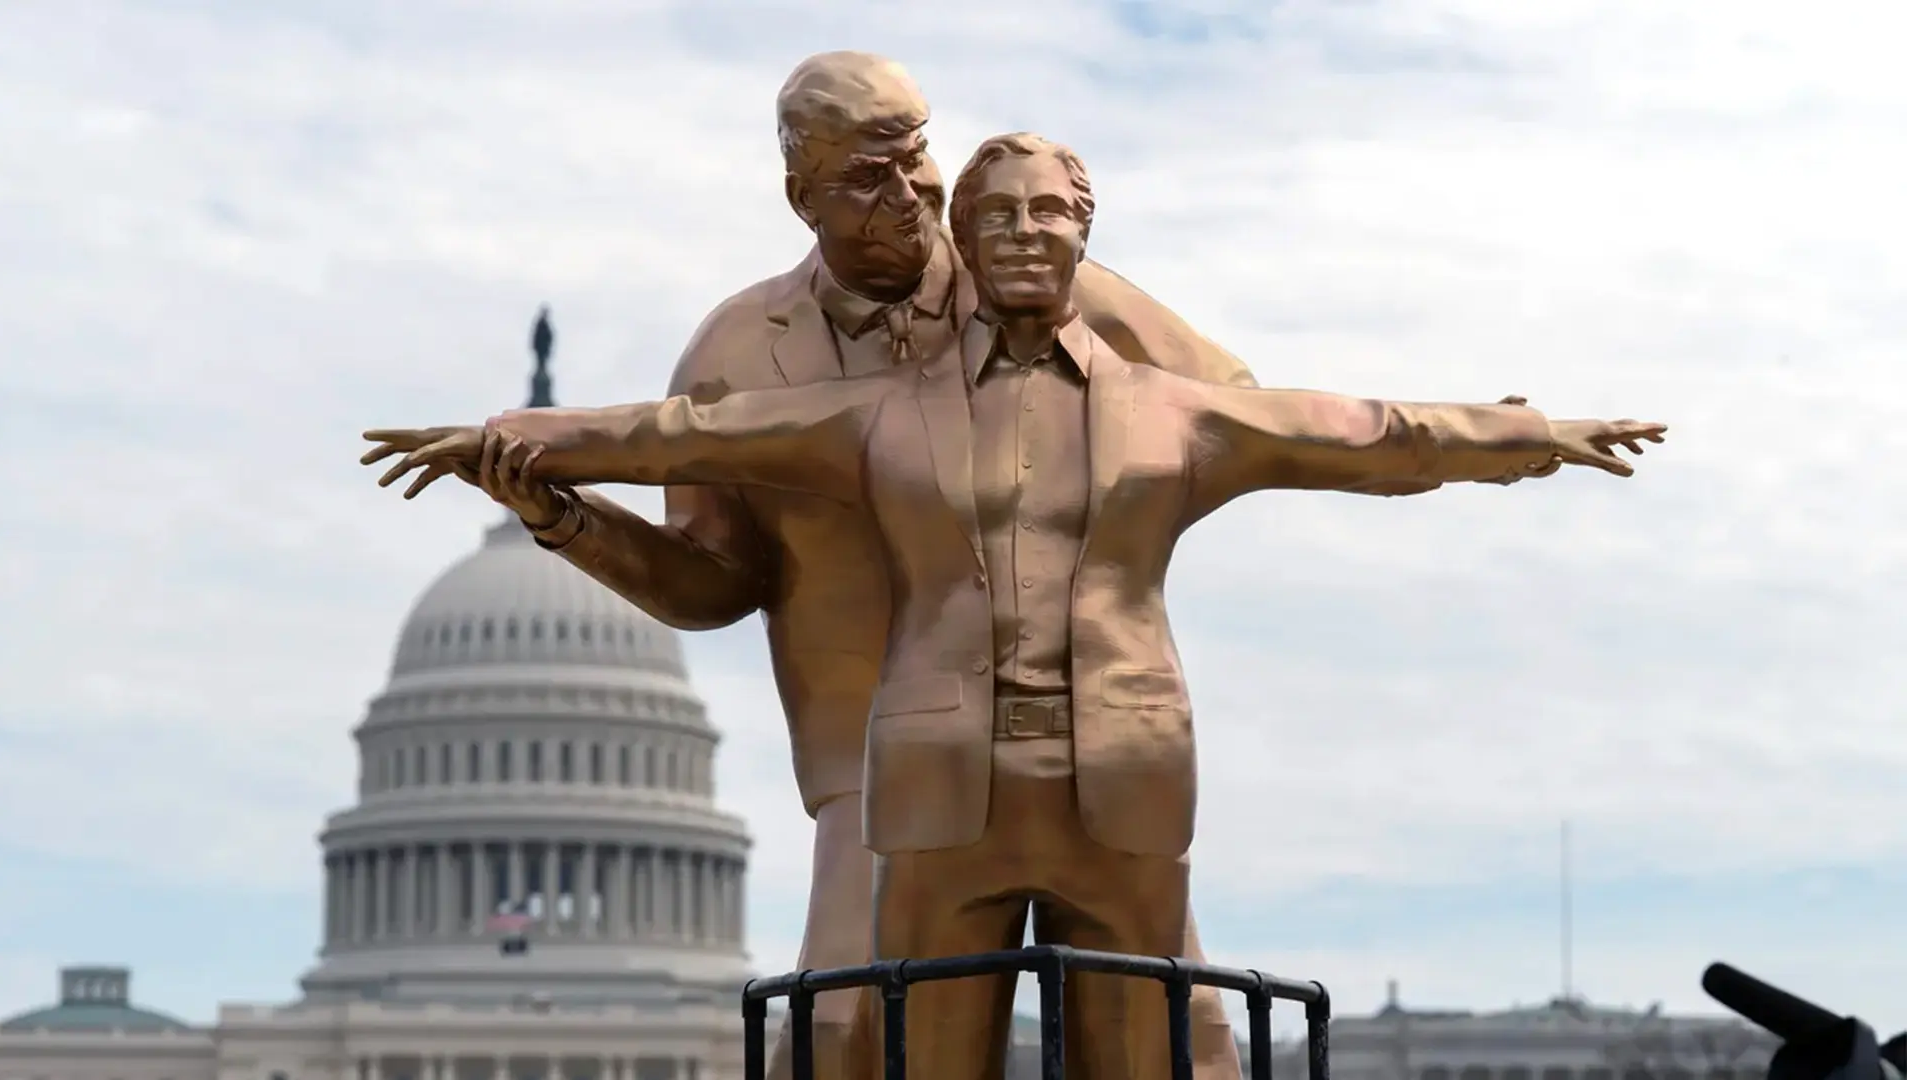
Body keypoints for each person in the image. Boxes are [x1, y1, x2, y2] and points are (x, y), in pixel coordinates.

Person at [363, 131, 1665, 1080]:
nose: (1027, 236)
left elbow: (1369, 433)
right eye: (997, 220)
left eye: (1051, 214)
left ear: (1085, 236)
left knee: (1141, 1060)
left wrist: (1528, 432)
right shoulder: (876, 415)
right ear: (963, 250)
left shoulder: (1177, 411)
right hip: (936, 787)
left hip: (1129, 775)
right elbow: (681, 433)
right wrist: (519, 441)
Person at [370, 50, 1337, 1080]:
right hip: (873, 770)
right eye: (868, 175)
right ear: (804, 195)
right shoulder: (738, 351)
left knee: (1177, 1043)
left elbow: (1232, 407)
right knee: (846, 1034)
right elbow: (711, 582)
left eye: (917, 156)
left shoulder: (1042, 280)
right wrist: (565, 519)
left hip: (1073, 735)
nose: (910, 192)